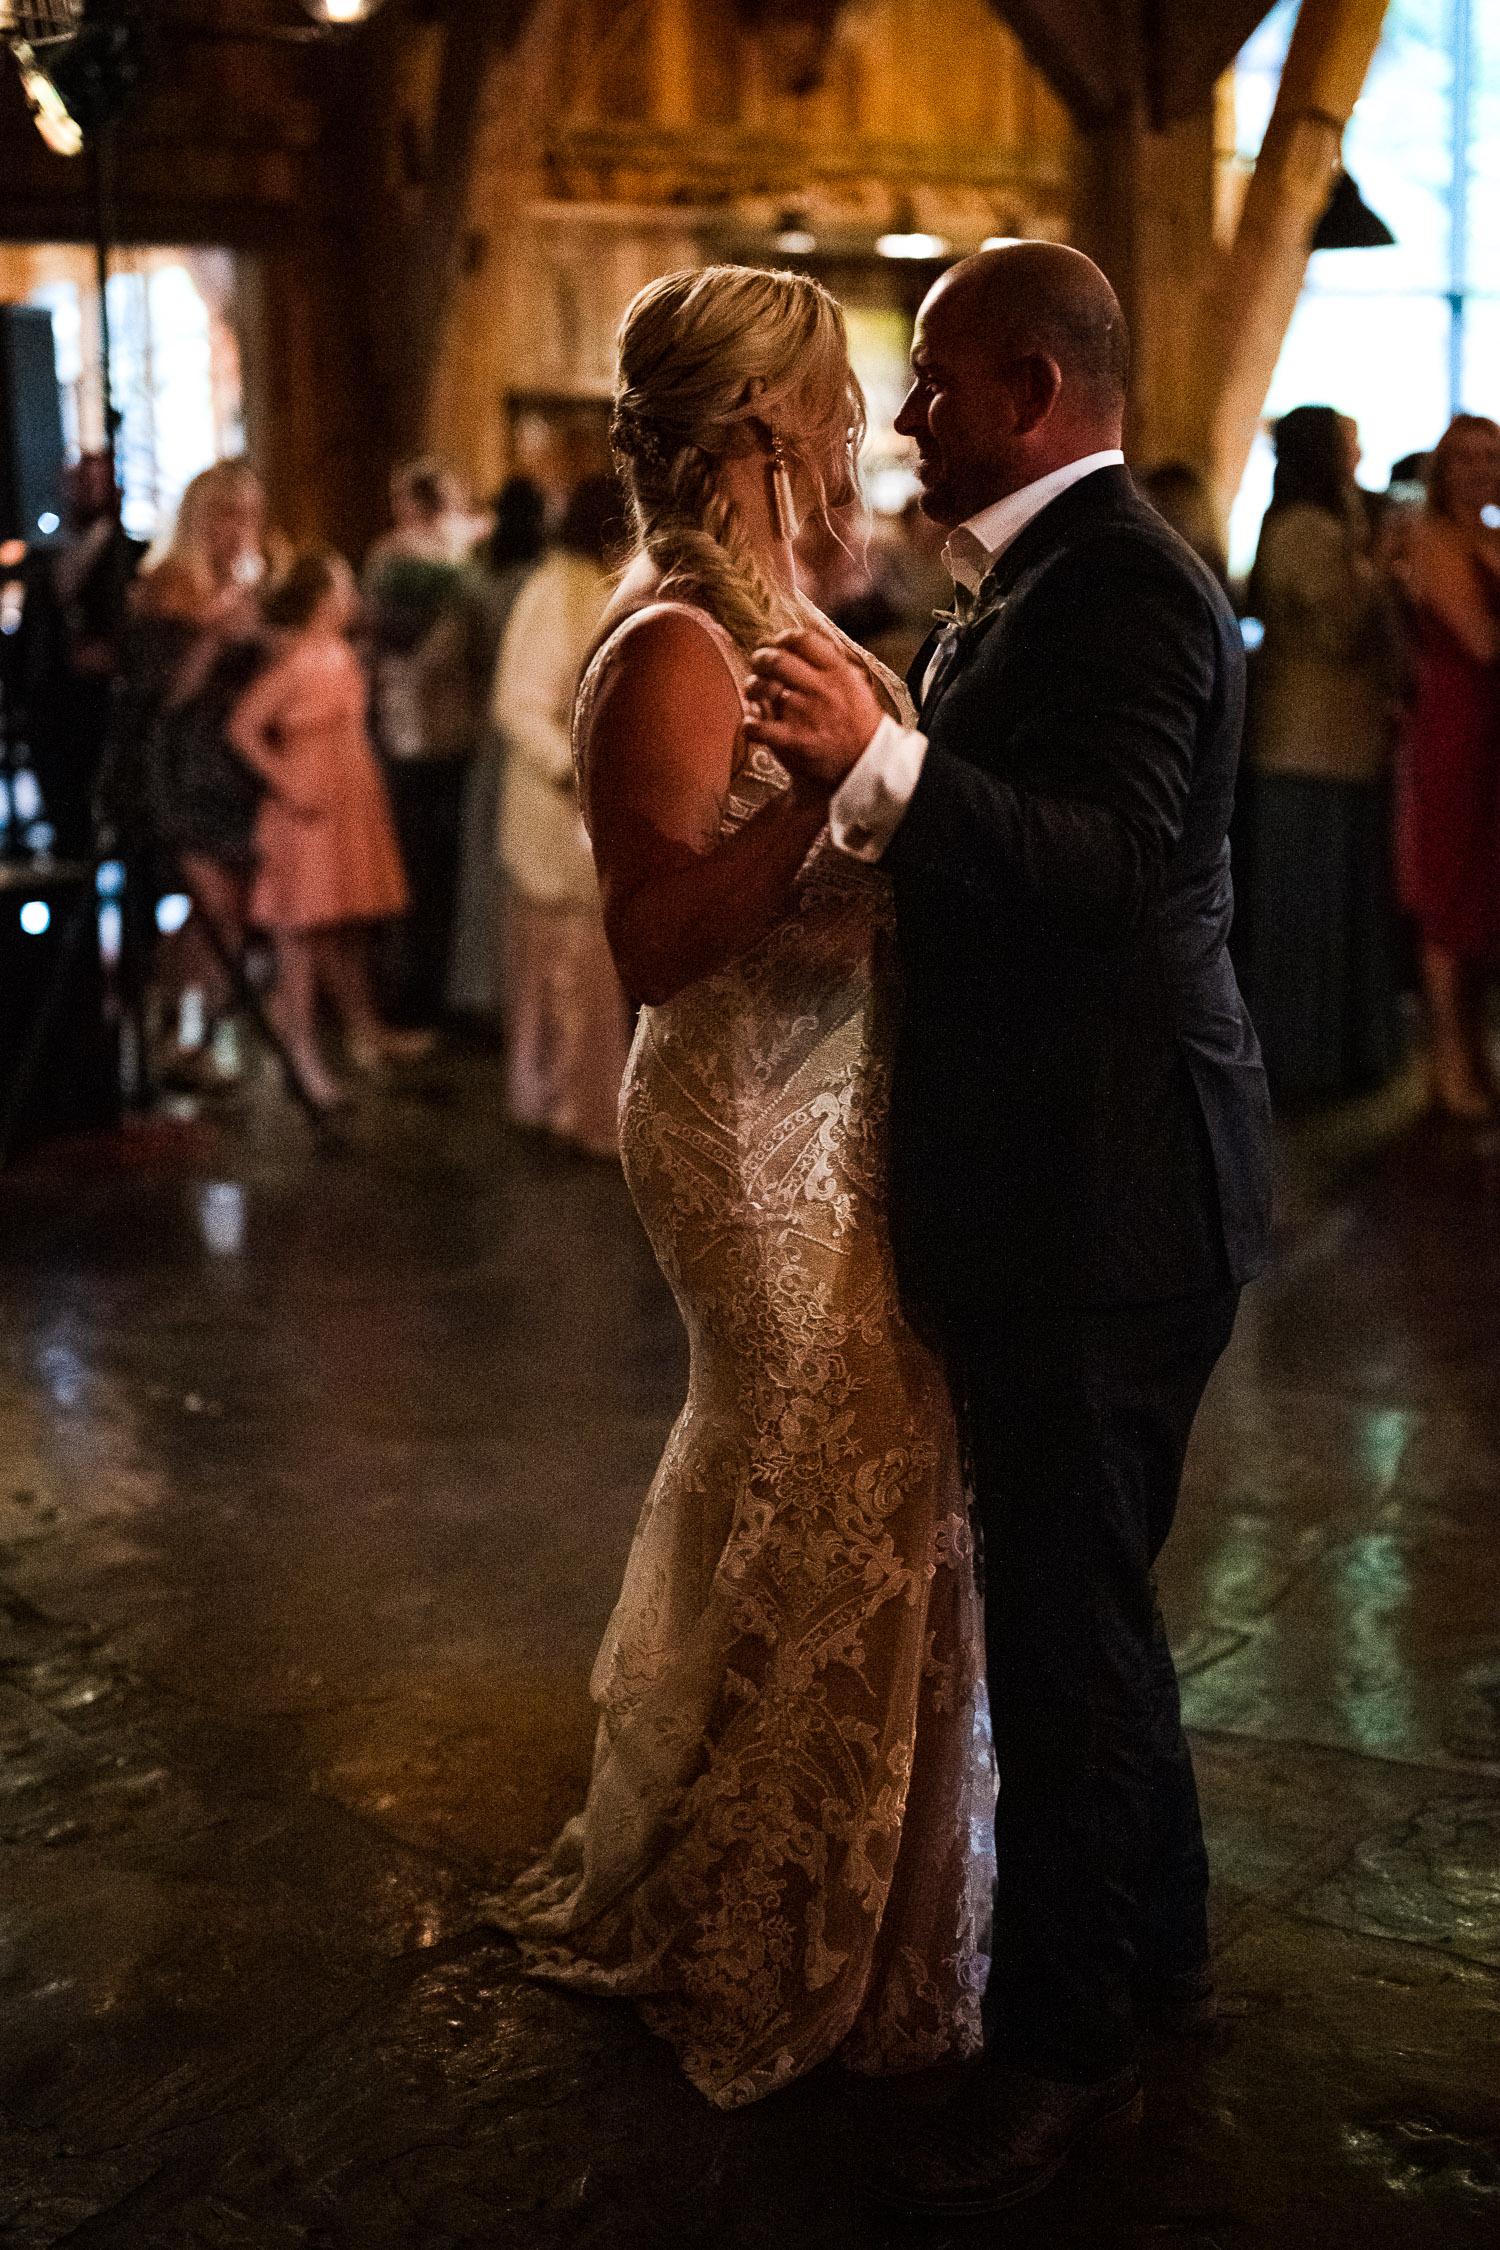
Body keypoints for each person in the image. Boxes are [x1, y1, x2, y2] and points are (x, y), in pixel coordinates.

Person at [745, 241, 1271, 2215]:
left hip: (1106, 1193)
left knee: (1067, 1637)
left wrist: (873, 764)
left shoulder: (1125, 583)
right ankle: (1167, 1952)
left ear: (1033, 391)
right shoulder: (1046, 574)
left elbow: (1115, 868)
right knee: (1094, 1611)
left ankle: (1069, 2044)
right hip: (1076, 1177)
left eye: (934, 385)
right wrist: (901, 760)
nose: (902, 420)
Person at [495, 267, 992, 2107]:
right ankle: (764, 1911)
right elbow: (653, 939)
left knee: (842, 1485)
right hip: (737, 1125)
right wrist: (829, 801)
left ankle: (856, 1897)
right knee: (826, 1479)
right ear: (762, 431)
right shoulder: (675, 649)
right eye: (839, 398)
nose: (862, 426)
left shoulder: (775, 613)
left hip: (836, 1107)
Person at [1235, 406, 1405, 1101]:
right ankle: (1305, 1060)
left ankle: (1337, 1053)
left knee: (1332, 909)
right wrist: (1380, 565)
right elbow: (1338, 627)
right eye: (1348, 442)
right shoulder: (1304, 529)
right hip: (1308, 749)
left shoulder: (1317, 525)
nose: (1359, 452)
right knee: (1309, 914)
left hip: (1331, 745)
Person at [102, 459, 274, 1082]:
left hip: (237, 771)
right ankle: (178, 1035)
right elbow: (165, 695)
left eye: (249, 515)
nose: (239, 529)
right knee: (215, 907)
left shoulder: (248, 589)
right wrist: (214, 636)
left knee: (244, 912)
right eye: (227, 515)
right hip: (182, 769)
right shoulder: (166, 586)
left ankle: (175, 1018)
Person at [227, 550, 417, 1109]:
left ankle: (364, 1033)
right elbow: (244, 727)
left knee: (339, 926)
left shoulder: (333, 653)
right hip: (307, 809)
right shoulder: (299, 660)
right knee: (302, 934)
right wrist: (288, 779)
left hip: (343, 801)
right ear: (319, 600)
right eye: (341, 588)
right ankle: (300, 1055)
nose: (351, 597)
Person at [492, 474, 633, 1156]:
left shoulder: (595, 587)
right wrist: (573, 768)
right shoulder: (557, 592)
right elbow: (520, 702)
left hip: (579, 806)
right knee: (563, 963)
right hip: (556, 808)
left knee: (580, 962)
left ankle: (574, 1106)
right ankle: (564, 1107)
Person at [1394, 413, 1500, 1120]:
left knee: (1486, 896)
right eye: (1463, 458)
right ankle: (1449, 1066)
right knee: (1449, 897)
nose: (1478, 470)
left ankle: (1476, 1055)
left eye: (1490, 456)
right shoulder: (1434, 540)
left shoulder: (1490, 538)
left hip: (1493, 735)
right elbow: (1481, 640)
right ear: (1442, 468)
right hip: (1458, 732)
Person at [362, 457, 480, 1030]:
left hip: (423, 728)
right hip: (435, 730)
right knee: (429, 871)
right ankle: (424, 996)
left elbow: (381, 637)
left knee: (419, 872)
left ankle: (420, 997)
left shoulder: (399, 561)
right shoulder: (457, 559)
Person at [439, 477, 548, 1021]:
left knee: (486, 867)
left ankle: (483, 992)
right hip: (536, 735)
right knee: (525, 873)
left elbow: (449, 657)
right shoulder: (545, 582)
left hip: (491, 731)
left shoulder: (479, 580)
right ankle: (523, 1004)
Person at [15, 451, 147, 861]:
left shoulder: (132, 558)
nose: (82, 492)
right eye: (76, 482)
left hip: (106, 714)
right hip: (52, 714)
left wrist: (114, 656)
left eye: (93, 482)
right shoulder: (44, 557)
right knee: (67, 829)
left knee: (117, 831)